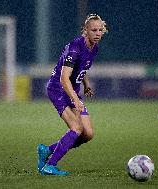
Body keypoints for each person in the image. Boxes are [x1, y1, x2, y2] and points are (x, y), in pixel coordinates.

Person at [37, 14, 108, 176]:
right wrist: (76, 100)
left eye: (100, 30)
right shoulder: (75, 48)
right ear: (85, 31)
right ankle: (49, 165)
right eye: (94, 30)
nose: (97, 33)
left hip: (72, 91)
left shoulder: (94, 47)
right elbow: (63, 78)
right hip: (58, 90)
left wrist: (86, 84)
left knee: (87, 134)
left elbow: (83, 68)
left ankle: (47, 150)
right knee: (76, 128)